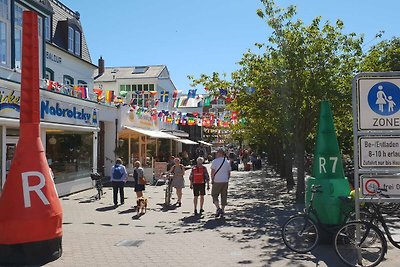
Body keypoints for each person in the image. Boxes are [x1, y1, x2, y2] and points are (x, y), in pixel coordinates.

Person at [210, 148, 231, 218]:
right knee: (224, 195)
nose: (216, 154)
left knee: (214, 194)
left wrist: (212, 179)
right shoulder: (227, 162)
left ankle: (218, 208)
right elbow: (229, 173)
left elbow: (212, 171)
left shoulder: (215, 161)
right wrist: (227, 179)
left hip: (217, 180)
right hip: (225, 181)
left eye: (217, 153)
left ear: (220, 153)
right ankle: (222, 210)